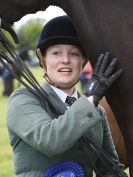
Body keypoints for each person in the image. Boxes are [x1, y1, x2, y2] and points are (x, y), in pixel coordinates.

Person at [6, 15, 124, 177]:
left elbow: (109, 169)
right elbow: (50, 140)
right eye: (56, 53)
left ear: (83, 61)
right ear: (43, 60)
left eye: (74, 54)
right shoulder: (23, 99)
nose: (65, 60)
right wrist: (91, 96)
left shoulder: (97, 112)